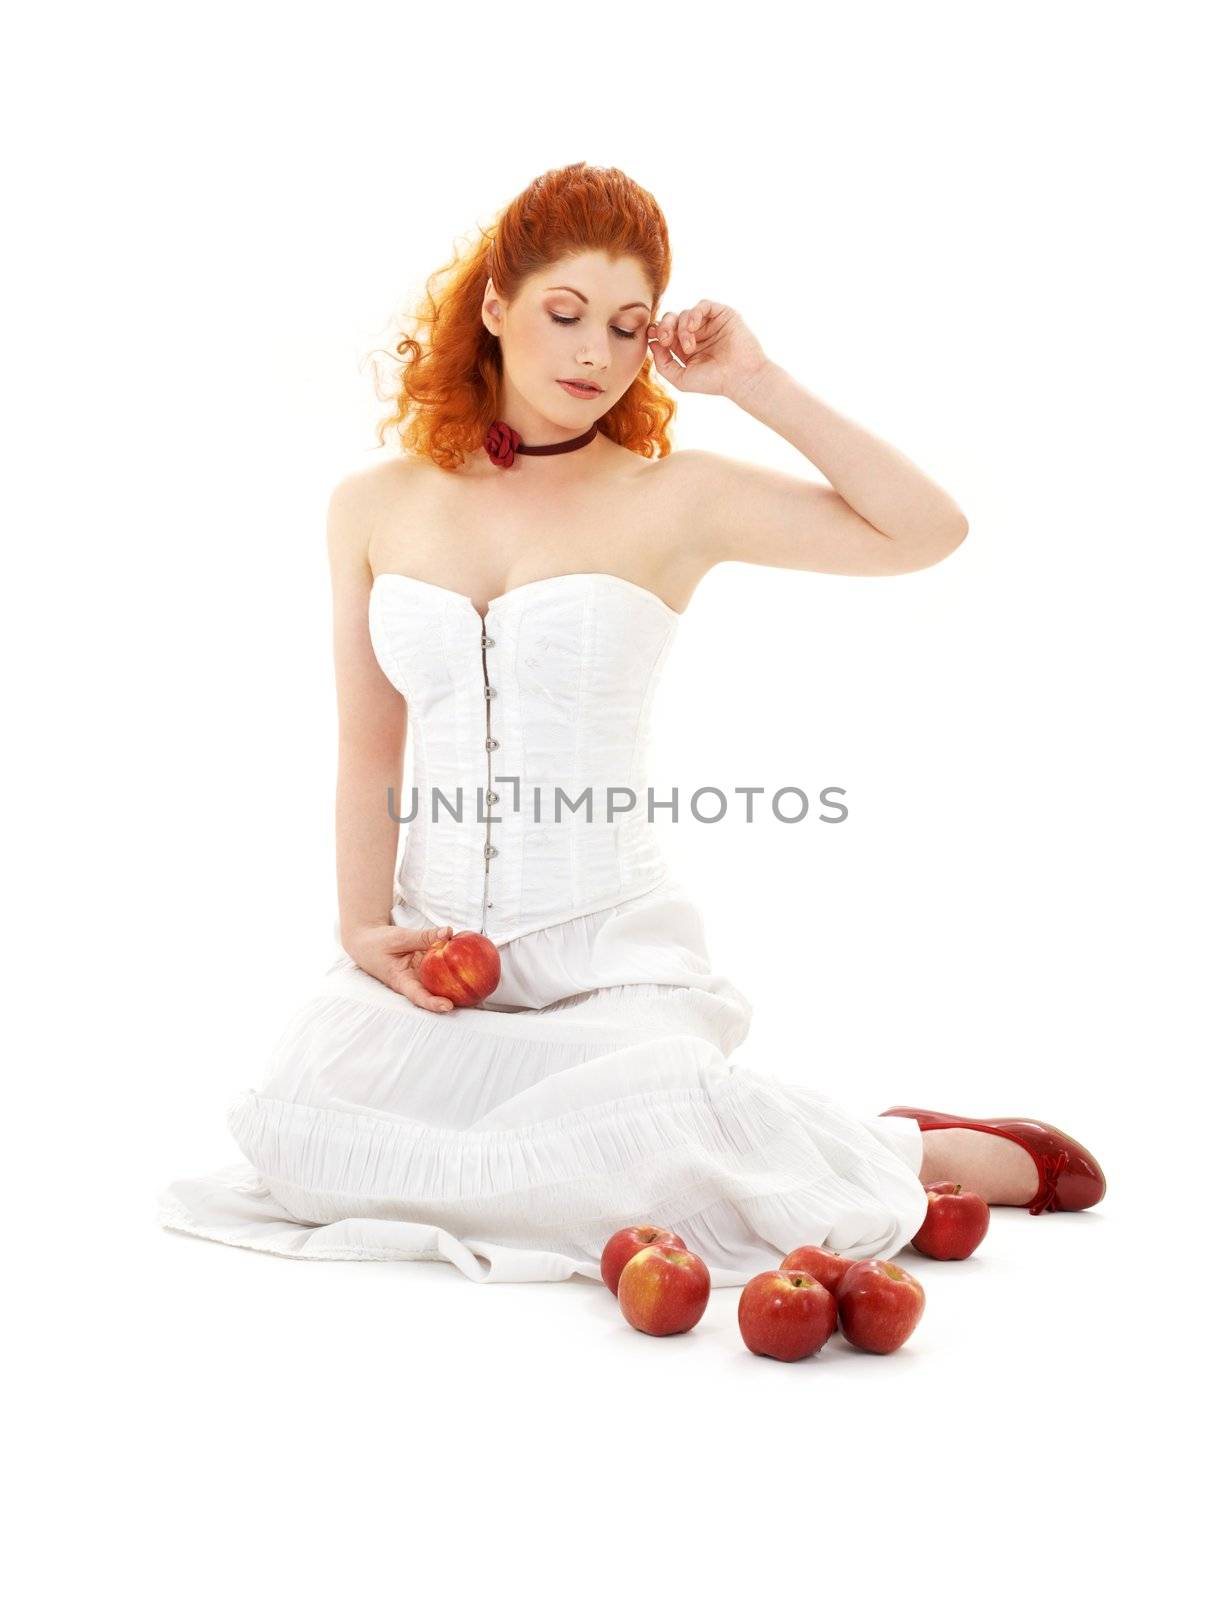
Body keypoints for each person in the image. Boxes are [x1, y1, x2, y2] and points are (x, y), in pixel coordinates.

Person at [157, 162, 1105, 1286]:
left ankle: (920, 1151)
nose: (594, 354)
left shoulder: (672, 496)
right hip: (435, 956)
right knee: (303, 1124)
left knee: (645, 1121)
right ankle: (717, 1146)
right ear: (497, 306)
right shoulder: (373, 505)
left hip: (608, 952)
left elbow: (925, 530)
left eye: (627, 325)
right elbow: (369, 750)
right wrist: (366, 932)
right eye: (564, 314)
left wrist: (757, 382)